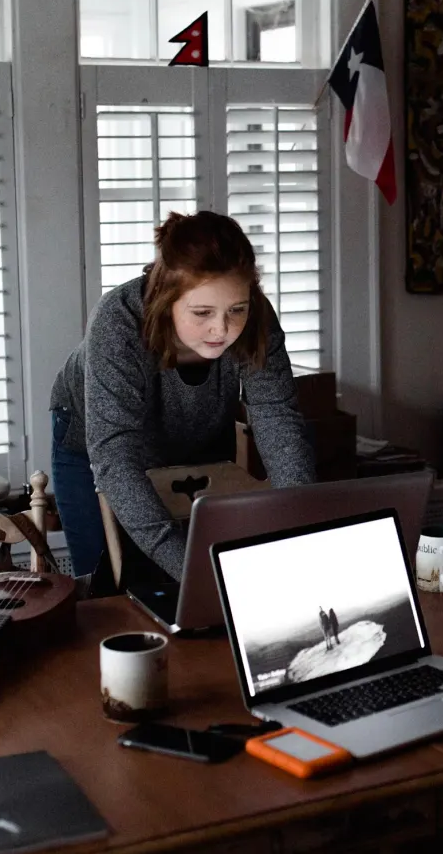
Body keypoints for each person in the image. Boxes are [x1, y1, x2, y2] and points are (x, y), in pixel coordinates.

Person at [50, 211, 314, 581]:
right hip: (97, 443)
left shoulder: (257, 319)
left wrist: (301, 528)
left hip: (199, 432)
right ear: (165, 298)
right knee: (106, 582)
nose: (221, 329)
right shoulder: (117, 321)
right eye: (202, 312)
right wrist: (192, 572)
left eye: (236, 310)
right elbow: (115, 457)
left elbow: (278, 418)